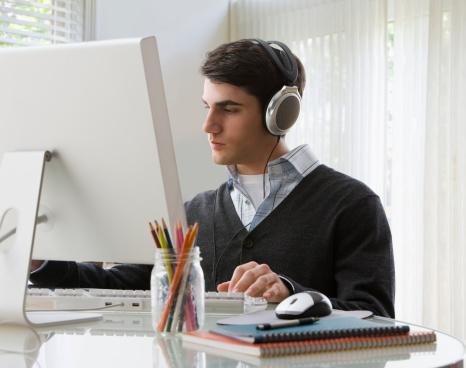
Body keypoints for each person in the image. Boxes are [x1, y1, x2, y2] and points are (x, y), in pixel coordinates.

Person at [30, 39, 395, 317]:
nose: (208, 126)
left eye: (229, 109)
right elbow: (124, 287)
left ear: (280, 114)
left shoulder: (352, 205)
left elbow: (376, 316)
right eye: (208, 107)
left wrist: (290, 292)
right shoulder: (191, 213)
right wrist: (40, 263)